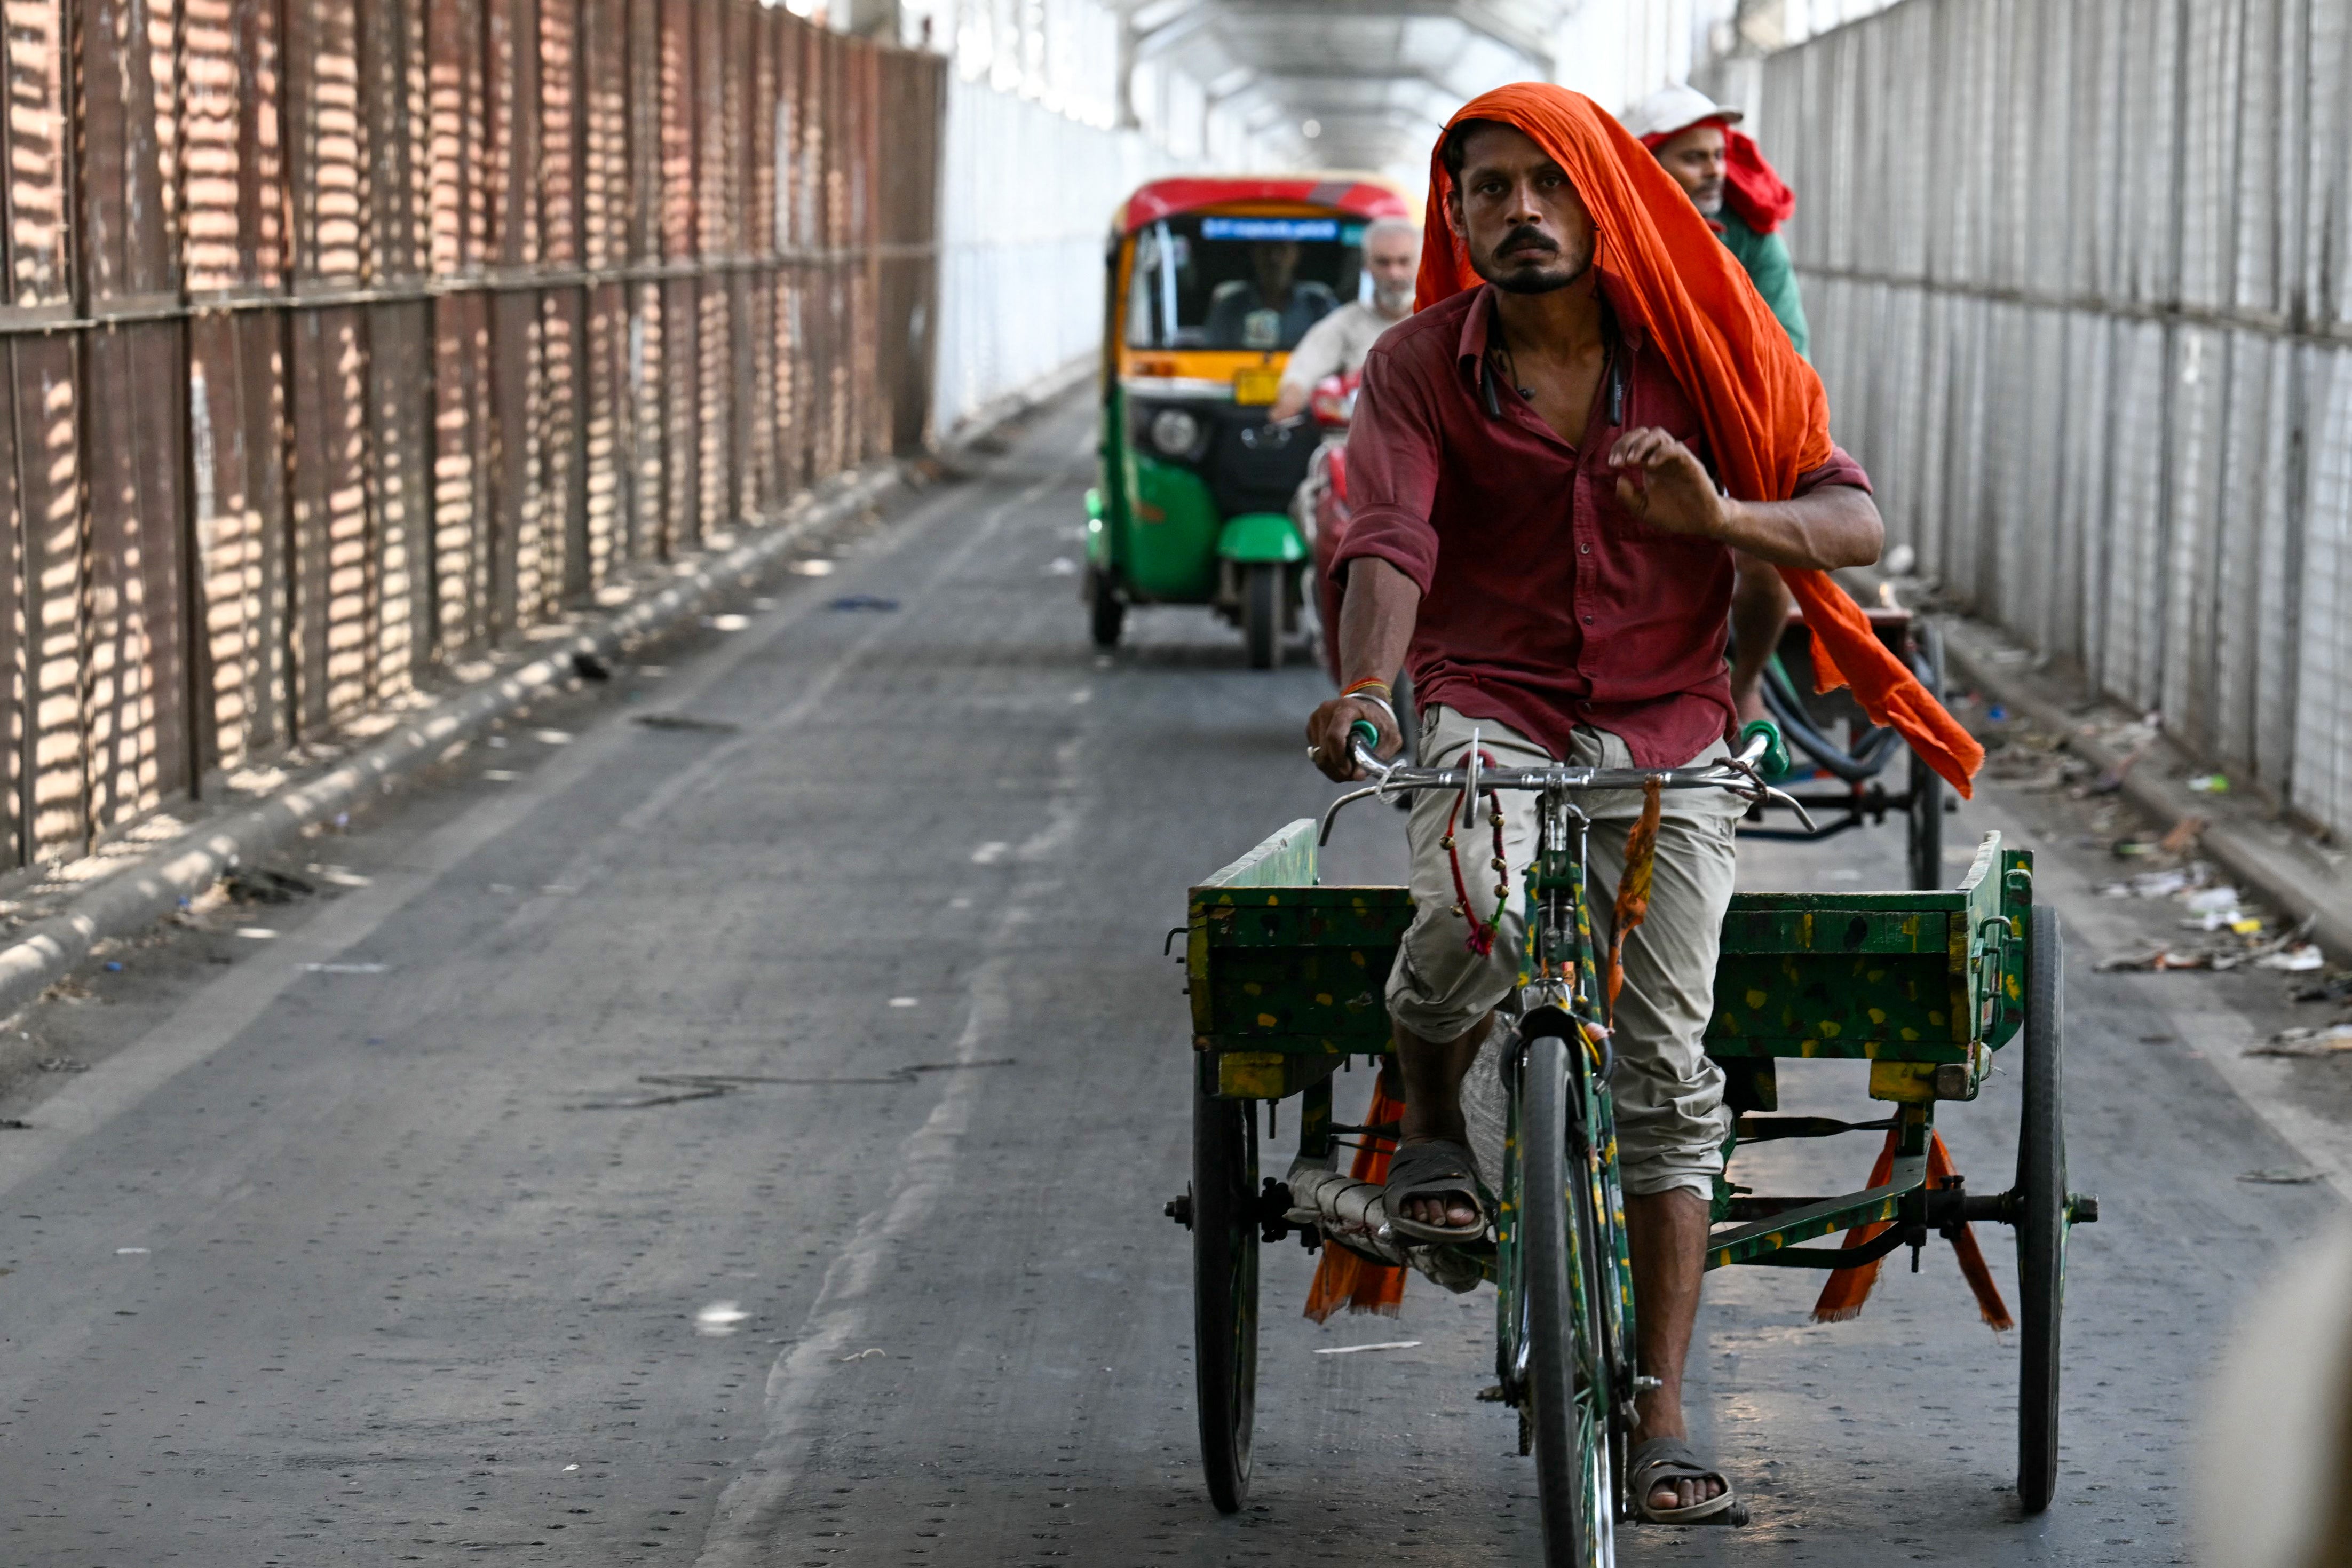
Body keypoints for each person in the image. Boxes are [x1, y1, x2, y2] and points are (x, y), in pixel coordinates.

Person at [1303, 84, 1974, 1525]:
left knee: (1666, 1077)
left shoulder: (1706, 352)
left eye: (1546, 187)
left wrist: (1717, 521)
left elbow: (1847, 520)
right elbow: (1385, 531)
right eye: (1486, 191)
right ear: (1457, 215)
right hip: (1485, 699)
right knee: (1463, 913)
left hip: (1665, 734)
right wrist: (1367, 687)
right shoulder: (1418, 365)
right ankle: (1430, 1121)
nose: (1518, 214)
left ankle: (1658, 1410)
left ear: (1605, 204)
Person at [1624, 83, 1808, 723]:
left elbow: (1787, 360)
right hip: (1623, 429)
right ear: (1650, 165)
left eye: (1718, 156)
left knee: (1762, 558)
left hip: (1733, 428)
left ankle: (1748, 679)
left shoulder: (1752, 240)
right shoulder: (1609, 238)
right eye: (1693, 158)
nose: (1713, 172)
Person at [1270, 217, 1423, 422]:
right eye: (1383, 262)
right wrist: (1291, 398)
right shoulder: (1346, 323)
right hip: (1359, 439)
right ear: (1367, 265)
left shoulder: (1441, 321)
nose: (1394, 273)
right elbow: (1303, 370)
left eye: (1404, 262)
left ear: (1421, 263)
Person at [1202, 239, 1337, 351]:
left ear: (1296, 254)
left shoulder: (1320, 306)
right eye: (1266, 249)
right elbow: (1209, 354)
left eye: (1282, 249)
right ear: (1254, 254)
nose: (1274, 258)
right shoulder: (1229, 308)